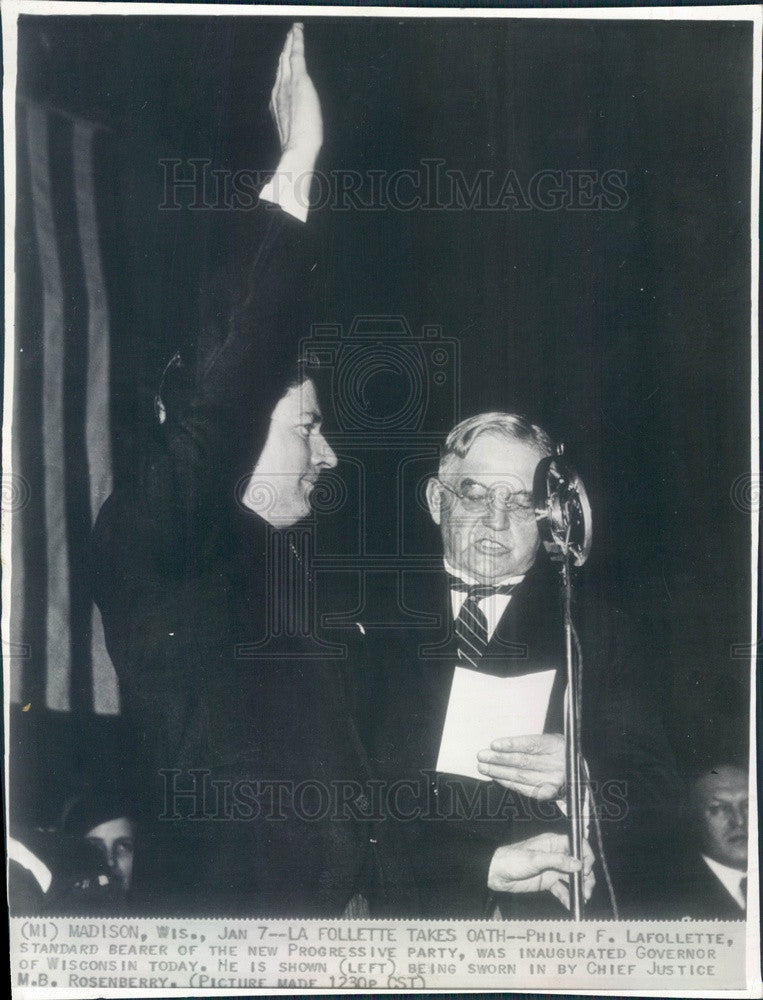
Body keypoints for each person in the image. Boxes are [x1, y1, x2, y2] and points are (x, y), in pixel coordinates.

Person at [91, 24, 413, 918]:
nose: (331, 453)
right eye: (307, 426)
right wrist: (299, 164)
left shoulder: (293, 582)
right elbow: (223, 388)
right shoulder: (155, 542)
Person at [369, 412, 680, 918]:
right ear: (435, 499)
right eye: (475, 495)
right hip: (395, 922)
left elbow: (661, 802)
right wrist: (472, 864)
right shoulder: (360, 619)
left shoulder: (596, 630)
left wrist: (579, 775)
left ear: (551, 516)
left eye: (519, 502)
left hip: (542, 931)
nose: (497, 519)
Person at [654, 763, 748, 919]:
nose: (738, 820)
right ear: (692, 820)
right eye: (718, 808)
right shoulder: (661, 900)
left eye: (748, 805)